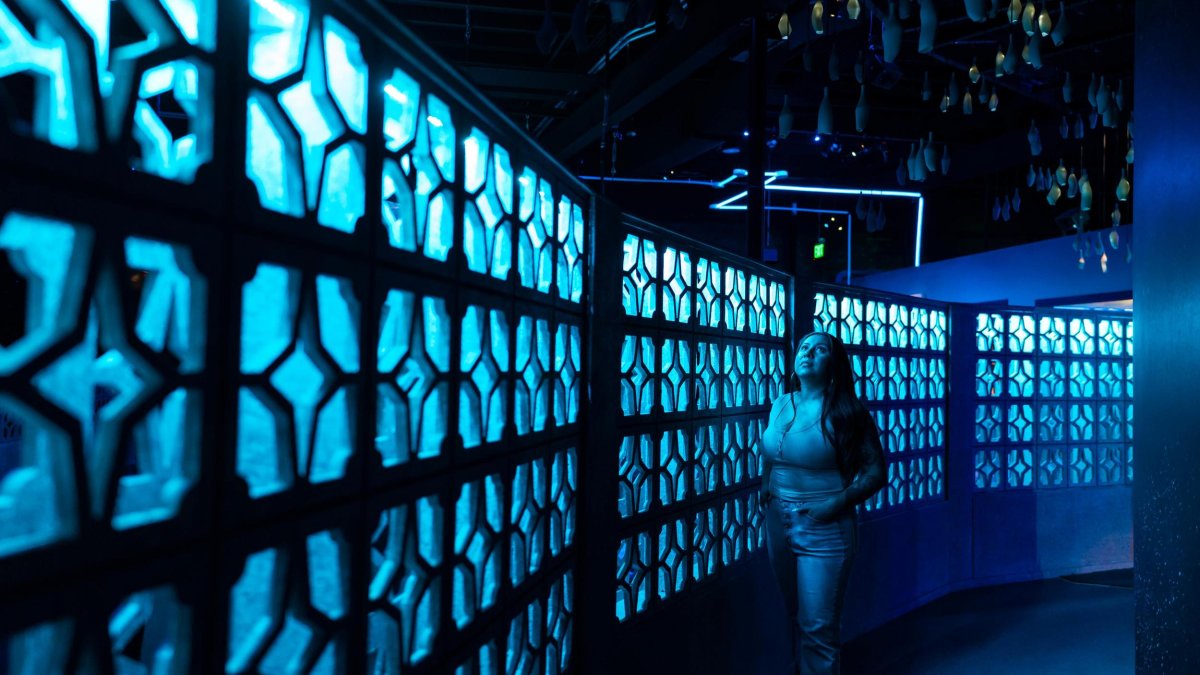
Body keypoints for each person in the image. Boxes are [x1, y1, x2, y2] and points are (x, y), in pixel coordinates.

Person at [760, 331, 887, 675]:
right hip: (777, 521)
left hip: (824, 526)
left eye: (820, 350)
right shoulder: (781, 403)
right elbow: (772, 453)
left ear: (834, 363)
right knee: (794, 617)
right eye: (804, 347)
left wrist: (836, 503)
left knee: (818, 628)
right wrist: (765, 485)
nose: (808, 353)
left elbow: (876, 473)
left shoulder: (847, 411)